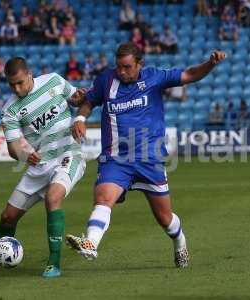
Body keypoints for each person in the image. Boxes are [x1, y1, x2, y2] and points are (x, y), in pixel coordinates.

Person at [65, 42, 226, 268]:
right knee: (103, 198)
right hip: (116, 158)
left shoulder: (155, 77)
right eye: (119, 67)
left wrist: (210, 64)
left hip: (149, 159)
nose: (122, 72)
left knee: (165, 219)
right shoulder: (106, 80)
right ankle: (91, 243)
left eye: (127, 67)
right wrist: (80, 119)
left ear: (140, 64)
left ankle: (180, 242)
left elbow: (190, 74)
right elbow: (89, 100)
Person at [0, 57, 87, 278]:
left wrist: (80, 97)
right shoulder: (10, 110)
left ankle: (54, 263)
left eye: (20, 82)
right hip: (40, 163)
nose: (17, 88)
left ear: (29, 74)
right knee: (7, 217)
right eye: (12, 85)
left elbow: (78, 99)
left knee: (53, 198)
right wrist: (24, 155)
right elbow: (13, 149)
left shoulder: (54, 81)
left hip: (69, 154)